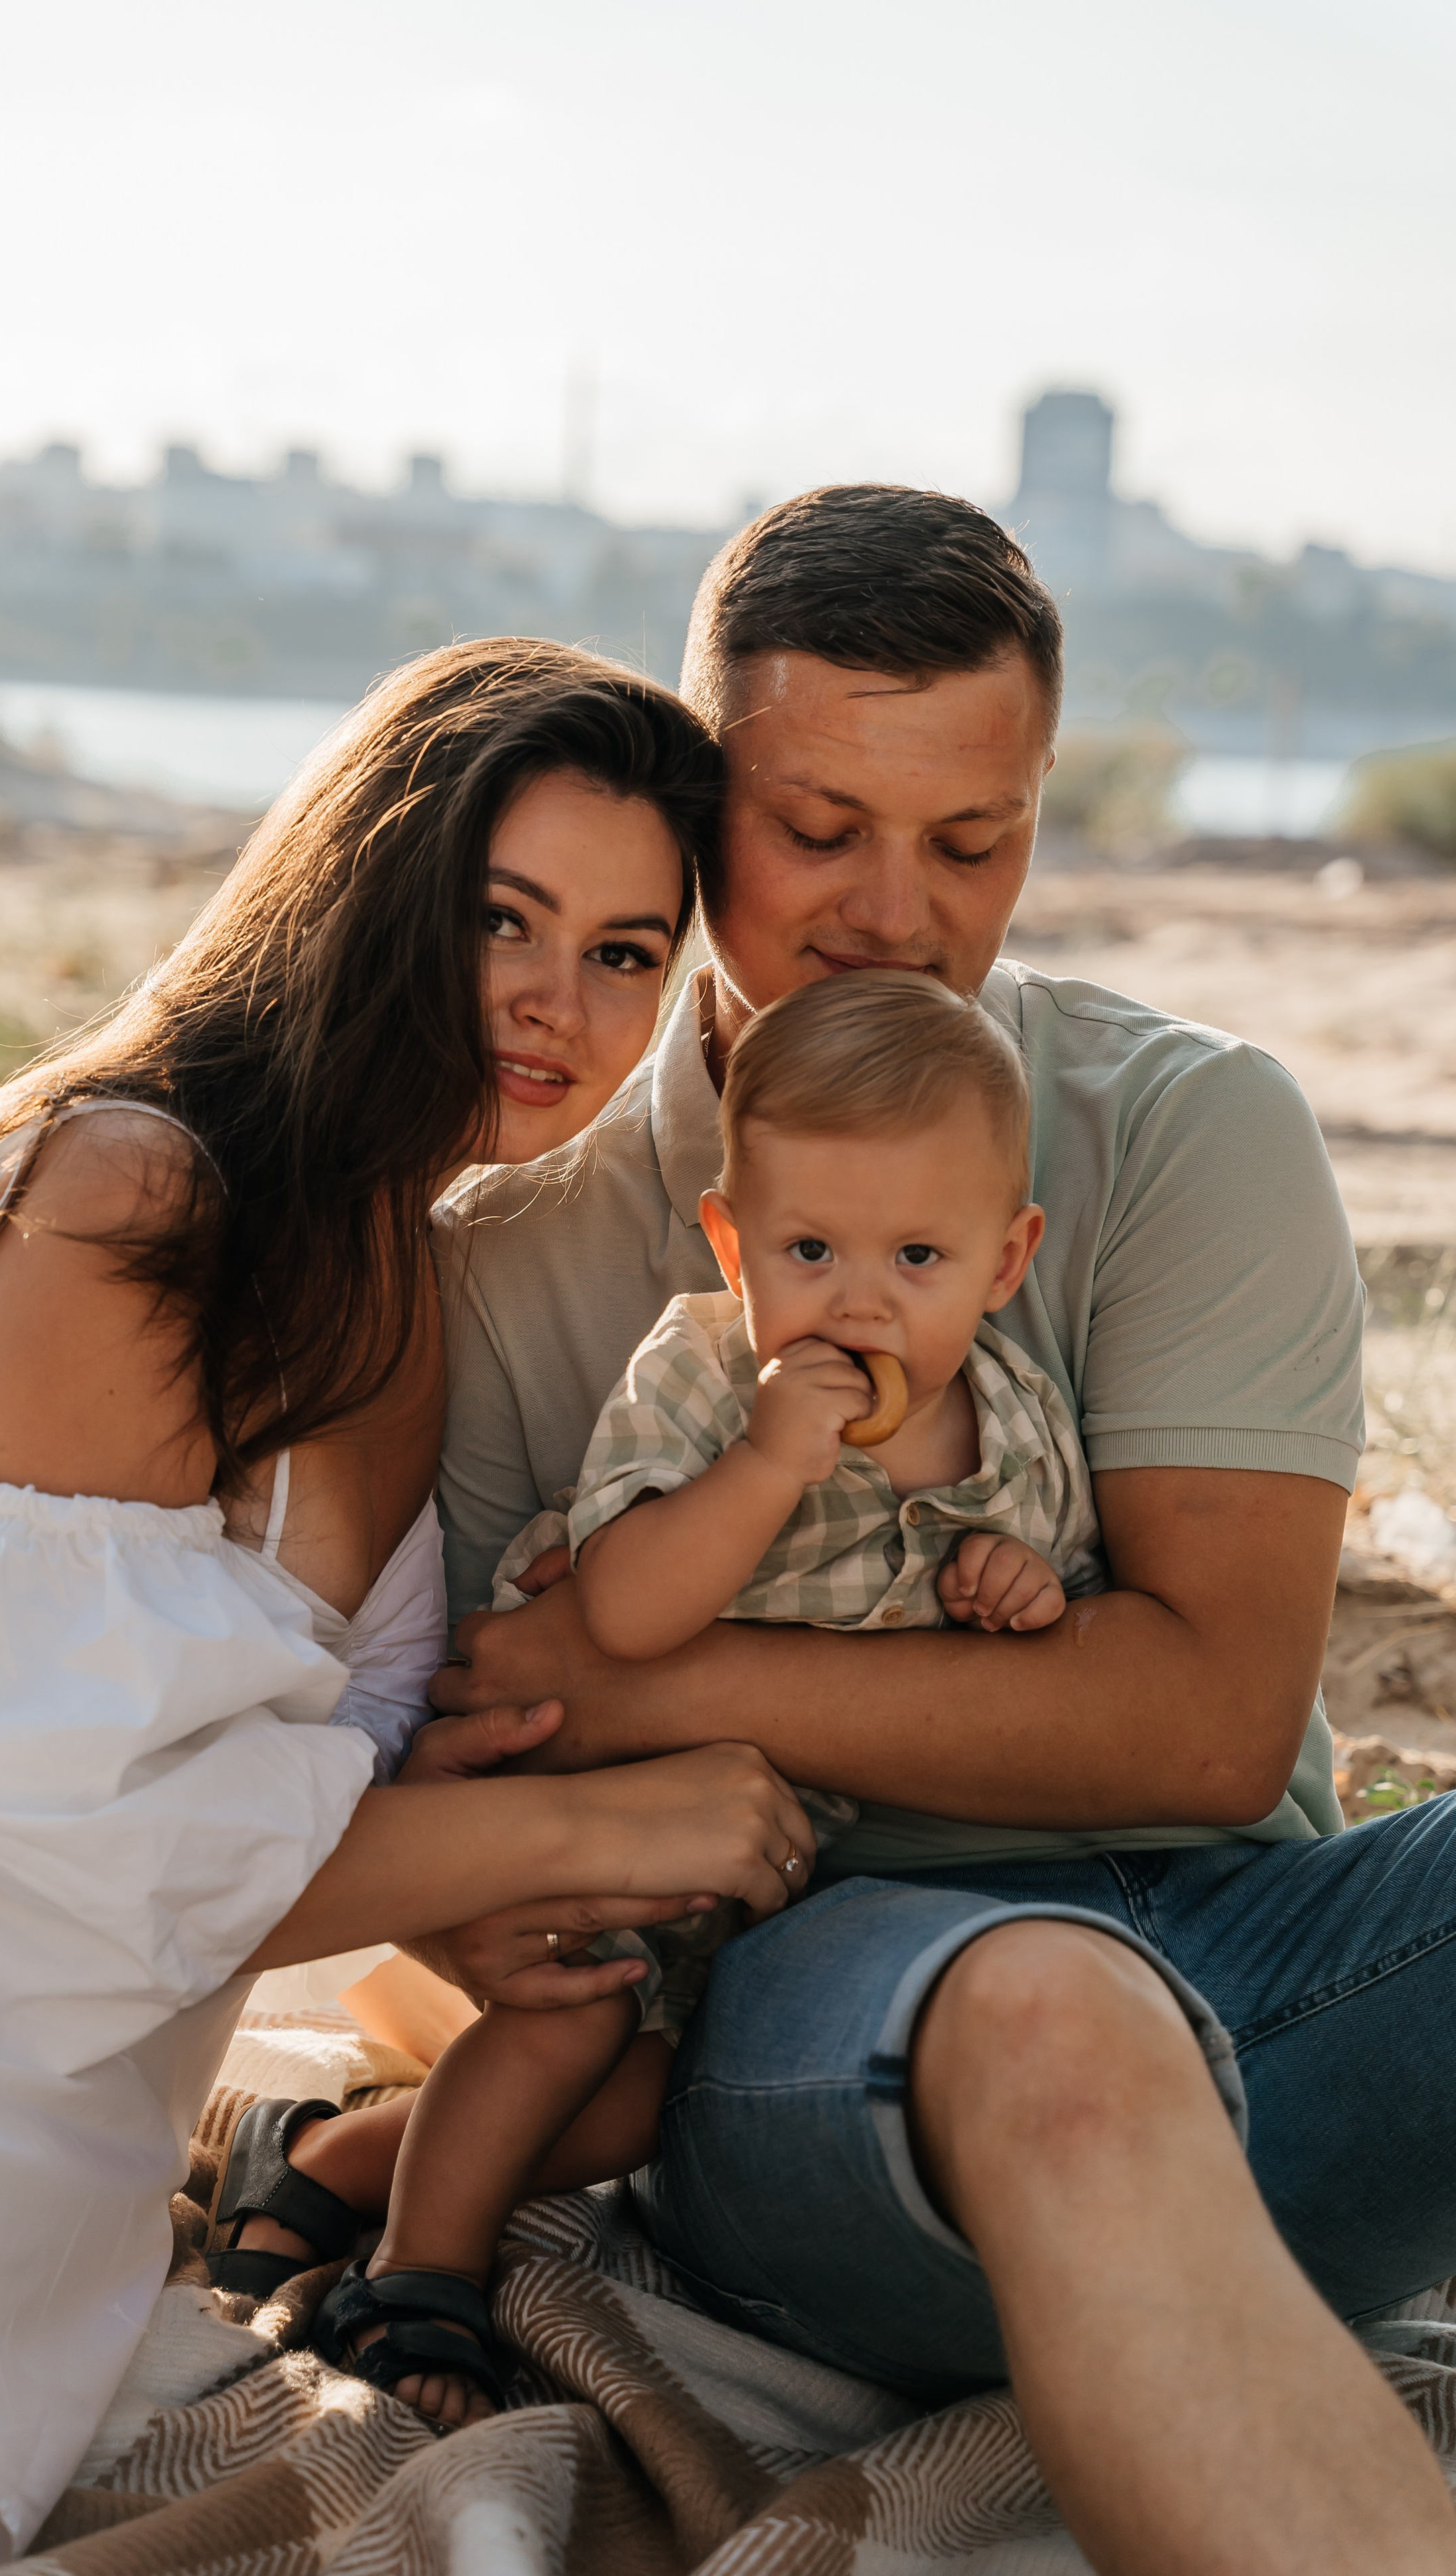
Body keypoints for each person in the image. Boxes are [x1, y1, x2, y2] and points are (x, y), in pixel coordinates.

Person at [427, 492, 1456, 2575]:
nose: (897, 911)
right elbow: (459, 1777)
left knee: (1123, 1992)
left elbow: (1204, 1726)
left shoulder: (1184, 1129)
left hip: (1265, 1983)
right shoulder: (521, 1250)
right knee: (1050, 2010)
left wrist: (658, 1669)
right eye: (818, 829)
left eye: (971, 843)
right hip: (826, 2045)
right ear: (708, 804)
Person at [0, 636, 816, 2562]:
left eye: (630, 954)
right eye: (504, 918)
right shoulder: (127, 1189)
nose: (556, 1003)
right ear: (379, 883)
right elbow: (60, 1844)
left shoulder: (414, 1285)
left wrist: (485, 1883)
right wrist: (577, 1819)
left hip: (43, 2141)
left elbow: (208, 1849)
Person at [293, 967, 1105, 2422]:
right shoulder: (703, 1377)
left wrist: (1012, 1584)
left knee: (632, 2108)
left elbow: (1047, 1594)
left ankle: (339, 2162)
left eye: (916, 1257)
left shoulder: (1018, 1421)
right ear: (731, 1243)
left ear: (1003, 1259)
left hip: (758, 1863)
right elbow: (623, 1611)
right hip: (588, 1803)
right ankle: (418, 2275)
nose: (857, 1300)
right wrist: (764, 1469)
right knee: (565, 2028)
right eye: (807, 1248)